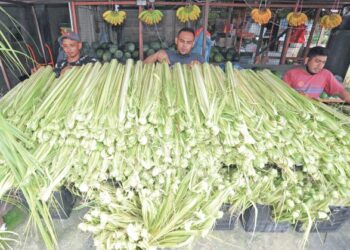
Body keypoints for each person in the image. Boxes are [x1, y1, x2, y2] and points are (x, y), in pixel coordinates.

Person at [283, 46, 350, 103]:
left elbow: (340, 91)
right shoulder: (291, 73)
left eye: (323, 62)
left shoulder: (325, 74)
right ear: (307, 60)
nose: (320, 66)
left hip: (314, 110)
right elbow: (282, 93)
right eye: (317, 61)